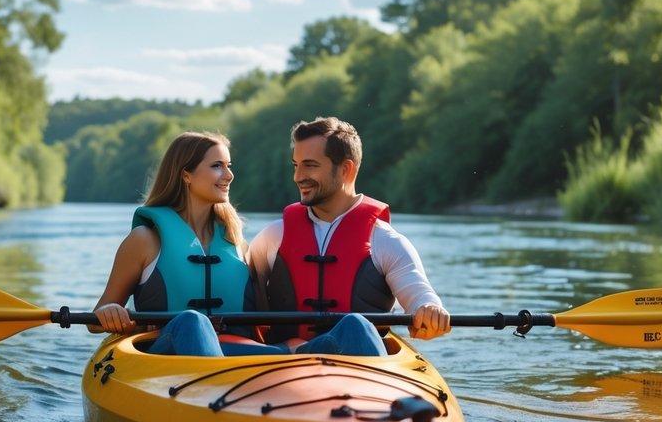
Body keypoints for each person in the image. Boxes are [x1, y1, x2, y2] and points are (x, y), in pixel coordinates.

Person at [248, 116, 452, 355]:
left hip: (358, 364)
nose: (298, 176)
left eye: (310, 165)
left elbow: (419, 295)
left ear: (346, 169)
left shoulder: (385, 242)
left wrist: (429, 309)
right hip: (283, 361)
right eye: (296, 165)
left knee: (355, 325)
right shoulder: (273, 237)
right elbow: (246, 305)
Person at [90, 130, 265, 356]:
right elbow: (93, 321)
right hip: (169, 355)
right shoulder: (145, 240)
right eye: (217, 166)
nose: (229, 175)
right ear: (186, 175)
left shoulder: (237, 242)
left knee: (322, 343)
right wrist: (110, 312)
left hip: (234, 354)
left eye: (229, 165)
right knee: (192, 321)